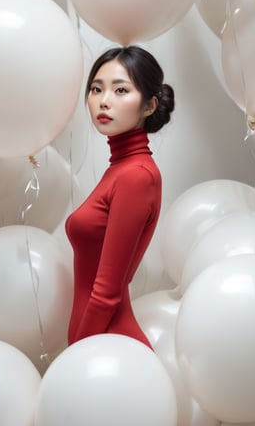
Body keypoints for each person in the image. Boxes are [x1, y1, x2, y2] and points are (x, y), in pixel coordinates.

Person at [65, 45, 175, 349]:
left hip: (109, 347)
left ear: (149, 106)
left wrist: (77, 353)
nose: (104, 101)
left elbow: (107, 292)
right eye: (96, 89)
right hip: (97, 340)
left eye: (120, 90)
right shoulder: (121, 168)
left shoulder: (135, 176)